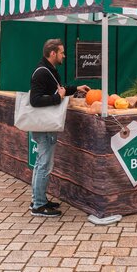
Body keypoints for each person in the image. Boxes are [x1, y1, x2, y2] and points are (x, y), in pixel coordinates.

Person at [30, 39, 90, 217]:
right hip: (45, 126)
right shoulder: (42, 72)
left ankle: (37, 200)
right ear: (53, 53)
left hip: (46, 125)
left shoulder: (48, 70)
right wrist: (57, 98)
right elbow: (35, 100)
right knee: (44, 165)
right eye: (62, 52)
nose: (64, 55)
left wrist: (74, 88)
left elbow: (59, 89)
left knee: (41, 164)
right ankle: (39, 205)